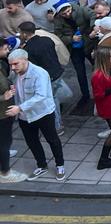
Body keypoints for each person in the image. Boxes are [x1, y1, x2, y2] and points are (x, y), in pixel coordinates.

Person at [7, 48, 65, 180]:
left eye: (16, 64)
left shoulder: (39, 73)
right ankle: (42, 165)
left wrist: (19, 108)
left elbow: (40, 96)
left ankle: (60, 165)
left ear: (25, 60)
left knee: (52, 140)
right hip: (24, 115)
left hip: (42, 113)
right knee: (32, 141)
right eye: (11, 64)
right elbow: (12, 83)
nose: (13, 67)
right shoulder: (14, 73)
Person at [0, 37, 26, 183]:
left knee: (4, 141)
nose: (8, 50)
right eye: (5, 48)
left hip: (5, 111)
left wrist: (9, 85)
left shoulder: (2, 64)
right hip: (2, 113)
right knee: (4, 141)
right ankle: (5, 172)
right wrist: (4, 97)